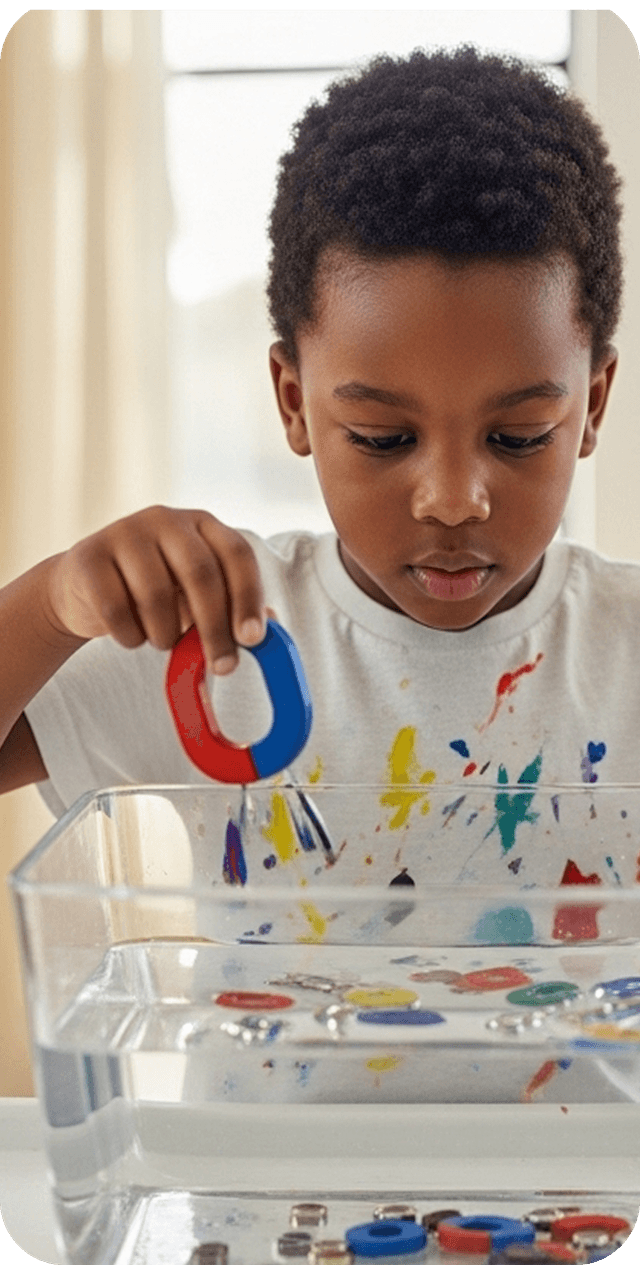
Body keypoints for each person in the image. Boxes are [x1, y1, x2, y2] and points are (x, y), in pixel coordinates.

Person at [0, 45, 633, 891]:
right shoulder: (222, 638)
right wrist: (52, 603)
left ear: (592, 406)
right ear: (294, 402)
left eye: (519, 436)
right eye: (381, 436)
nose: (452, 501)